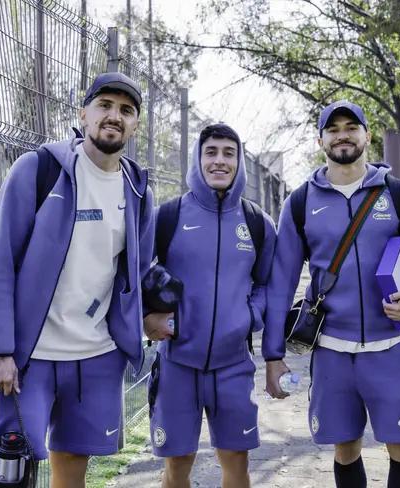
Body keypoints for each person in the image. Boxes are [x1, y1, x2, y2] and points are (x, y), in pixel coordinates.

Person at [0, 72, 154, 487]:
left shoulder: (137, 189)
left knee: (73, 468)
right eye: (105, 106)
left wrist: (138, 328)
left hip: (96, 355)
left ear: (134, 125)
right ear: (84, 113)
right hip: (29, 358)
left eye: (126, 111)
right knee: (9, 470)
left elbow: (138, 272)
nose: (114, 116)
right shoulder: (39, 169)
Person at [263, 100, 400, 488]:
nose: (343, 134)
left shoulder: (399, 195)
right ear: (321, 139)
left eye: (351, 127)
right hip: (332, 351)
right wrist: (273, 356)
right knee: (345, 448)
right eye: (333, 128)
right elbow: (281, 283)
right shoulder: (301, 201)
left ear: (366, 135)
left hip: (390, 347)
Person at [143, 123, 276, 488]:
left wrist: (249, 316)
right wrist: (146, 317)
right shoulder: (168, 216)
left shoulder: (257, 223)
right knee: (177, 465)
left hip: (233, 364)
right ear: (198, 159)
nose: (219, 161)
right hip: (177, 364)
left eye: (228, 153)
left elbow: (267, 284)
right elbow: (135, 273)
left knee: (236, 463)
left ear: (239, 162)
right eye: (211, 152)